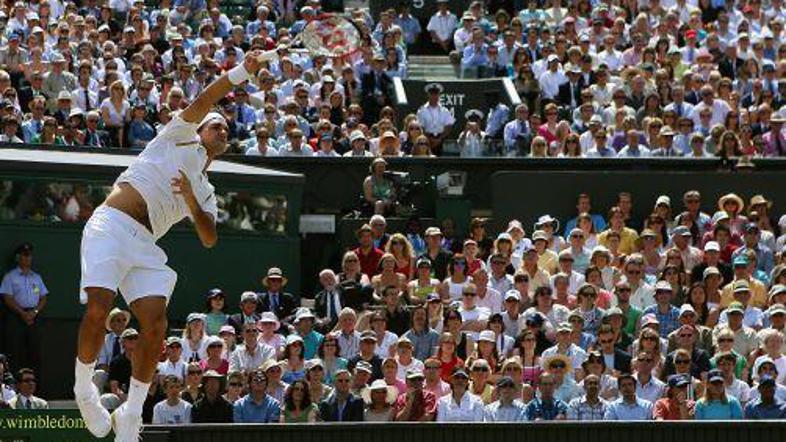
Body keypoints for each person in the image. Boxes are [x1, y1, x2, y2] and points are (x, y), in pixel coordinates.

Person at [74, 51, 269, 441]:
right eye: (216, 125)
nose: (222, 129)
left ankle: (131, 412)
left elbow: (209, 237)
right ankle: (83, 390)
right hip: (111, 225)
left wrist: (191, 198)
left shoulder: (207, 190)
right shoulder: (176, 135)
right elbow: (206, 97)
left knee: (157, 326)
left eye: (226, 128)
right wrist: (243, 71)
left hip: (145, 244)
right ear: (200, 129)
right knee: (98, 309)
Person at [1, 242, 48, 374]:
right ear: (18, 257)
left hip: (33, 317)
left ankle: (35, 383)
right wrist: (22, 313)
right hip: (15, 317)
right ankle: (14, 383)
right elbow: (7, 297)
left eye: (29, 255)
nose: (28, 258)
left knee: (35, 352)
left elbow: (43, 297)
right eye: (25, 255)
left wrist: (34, 312)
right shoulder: (10, 277)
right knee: (14, 352)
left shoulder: (36, 278)